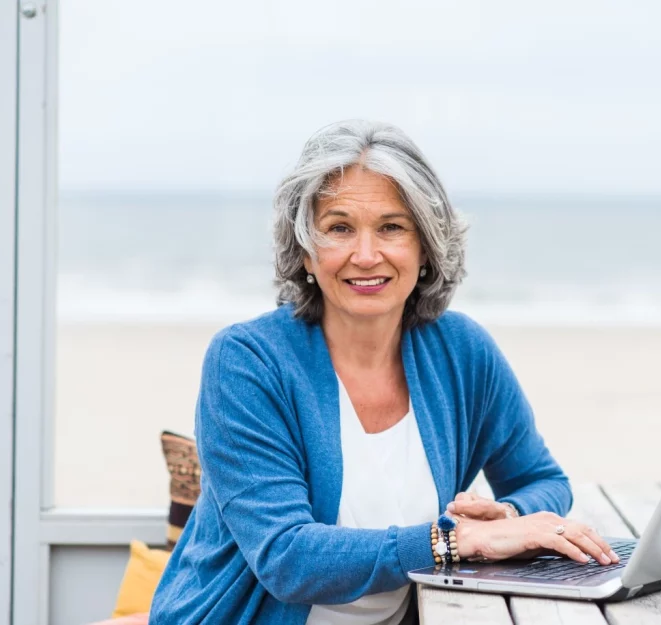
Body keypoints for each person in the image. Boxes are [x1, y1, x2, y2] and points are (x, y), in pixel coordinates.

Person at [149, 120, 619, 625]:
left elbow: (539, 478)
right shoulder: (247, 362)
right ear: (306, 250)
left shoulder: (462, 351)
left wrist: (507, 518)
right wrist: (455, 541)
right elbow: (287, 559)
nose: (366, 255)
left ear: (425, 248)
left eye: (392, 227)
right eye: (339, 228)